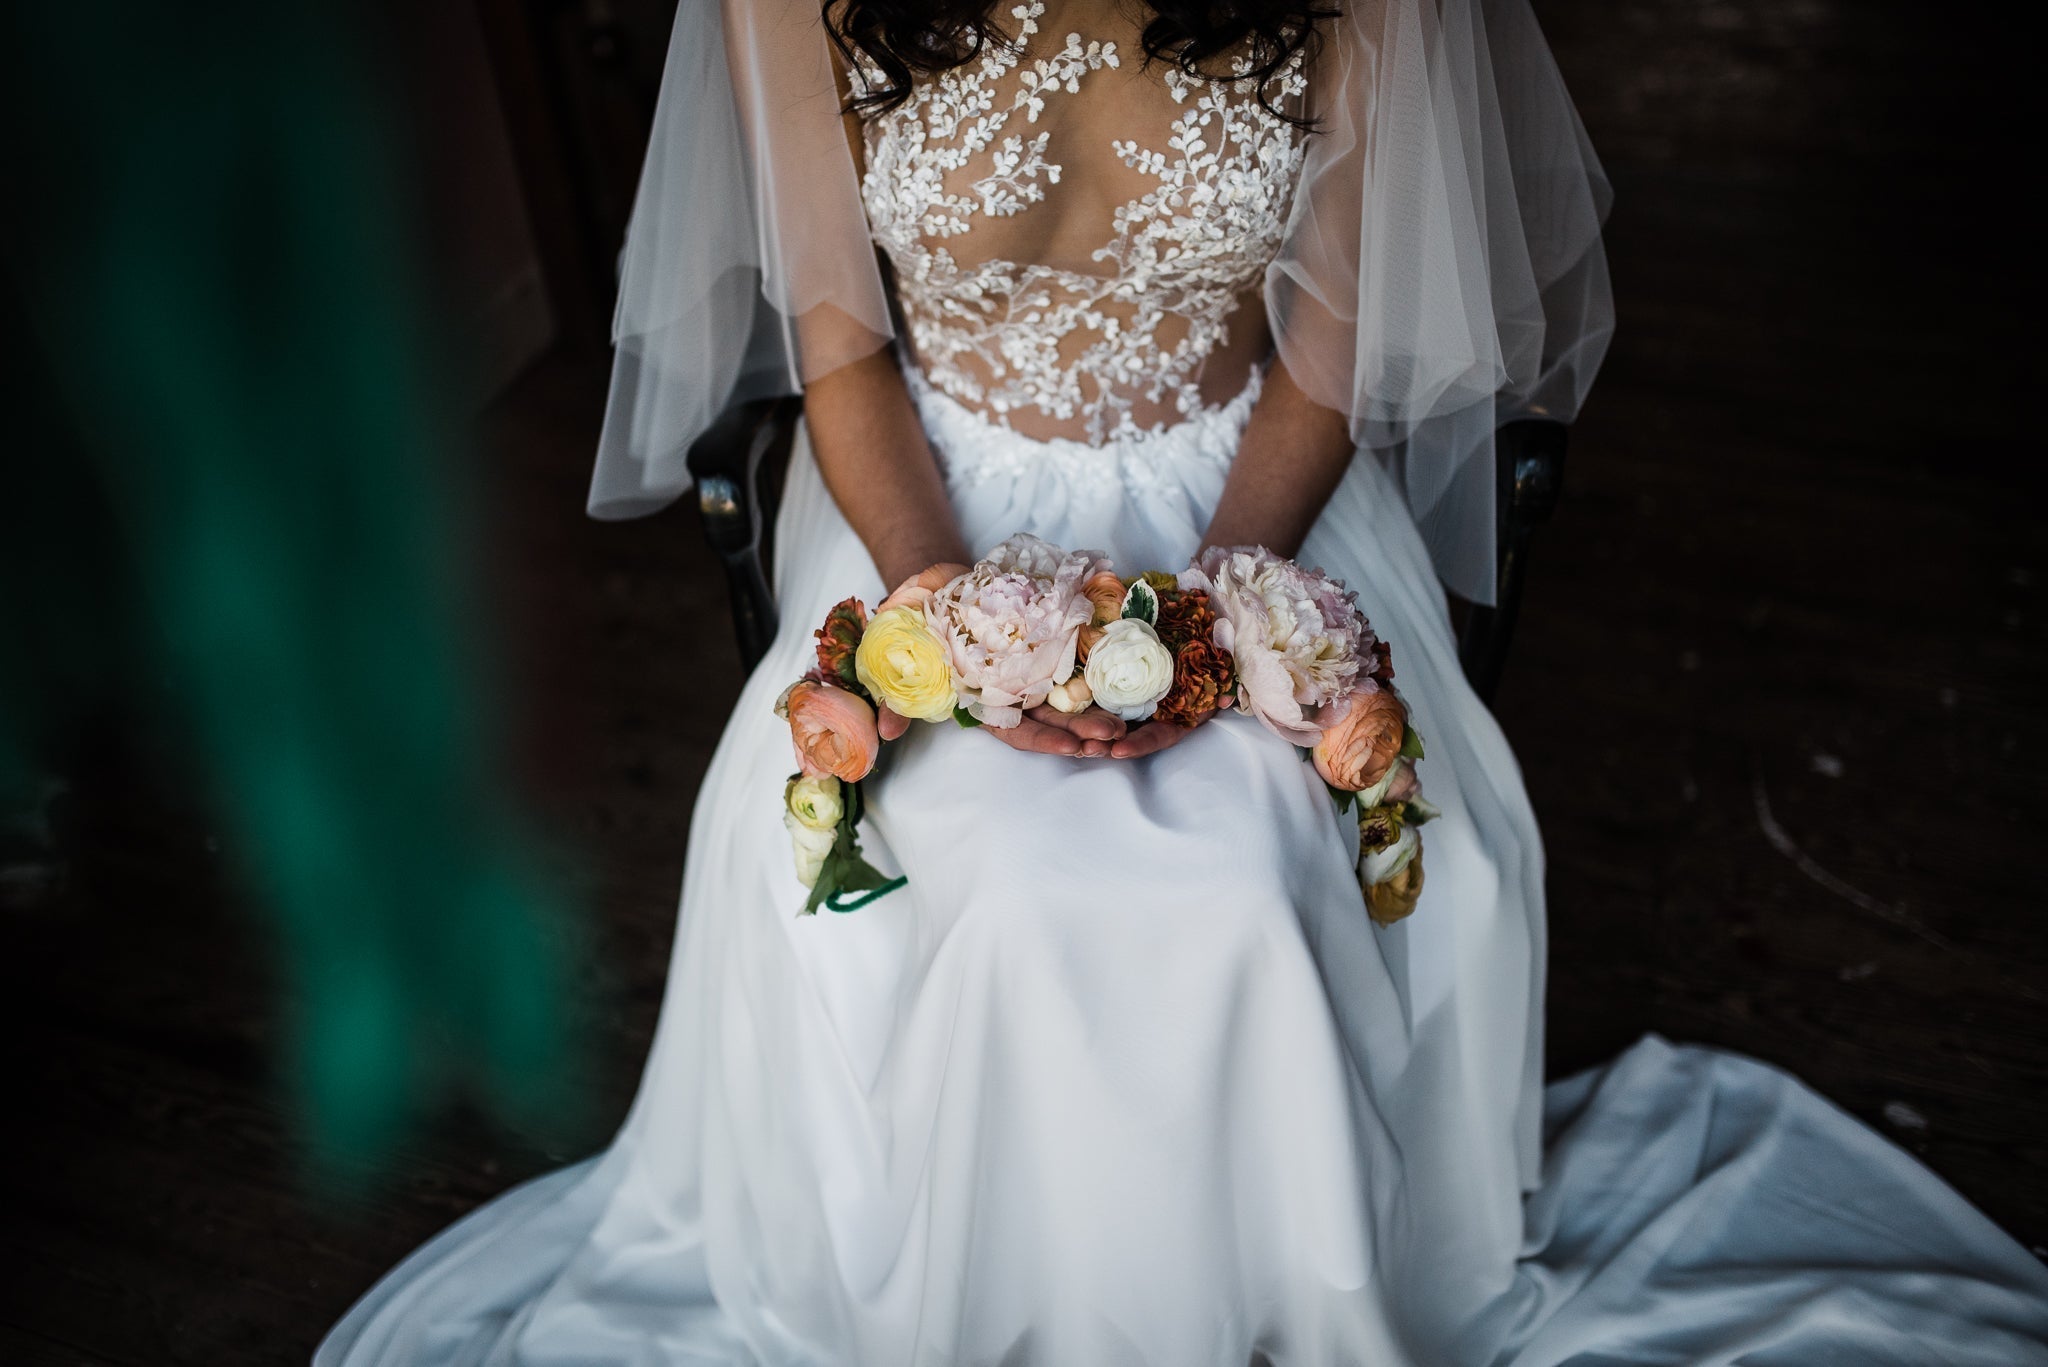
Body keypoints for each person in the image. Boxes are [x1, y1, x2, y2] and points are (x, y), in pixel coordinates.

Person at [319, 2, 2048, 1362]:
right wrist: (957, 628)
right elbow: (840, 357)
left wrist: (1216, 618)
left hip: (1250, 497)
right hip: (927, 501)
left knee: (1235, 878)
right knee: (985, 886)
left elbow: (1328, 354)